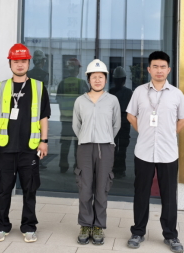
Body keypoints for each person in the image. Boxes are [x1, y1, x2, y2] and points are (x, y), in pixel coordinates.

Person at [0, 43, 50, 243]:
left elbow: (43, 117)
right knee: (4, 189)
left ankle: (29, 227)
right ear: (10, 63)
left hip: (30, 148)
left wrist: (44, 141)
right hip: (5, 148)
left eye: (23, 61)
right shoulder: (1, 87)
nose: (19, 64)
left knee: (30, 189)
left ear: (28, 63)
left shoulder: (38, 87)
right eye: (15, 61)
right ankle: (2, 226)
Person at [125, 51, 184, 253]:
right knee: (141, 193)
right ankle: (138, 232)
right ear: (149, 69)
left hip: (168, 153)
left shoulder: (176, 94)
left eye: (163, 67)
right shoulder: (139, 92)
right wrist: (143, 131)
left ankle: (170, 235)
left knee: (169, 195)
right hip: (144, 151)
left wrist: (170, 133)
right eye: (155, 66)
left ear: (168, 70)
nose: (159, 70)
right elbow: (130, 115)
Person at [73, 59, 121, 246]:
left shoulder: (112, 100)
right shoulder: (80, 101)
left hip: (106, 147)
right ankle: (86, 225)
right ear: (88, 79)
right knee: (85, 188)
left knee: (102, 188)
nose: (98, 80)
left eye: (101, 77)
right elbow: (76, 125)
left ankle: (99, 226)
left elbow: (116, 125)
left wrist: (105, 137)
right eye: (94, 77)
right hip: (85, 147)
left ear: (106, 79)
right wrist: (86, 138)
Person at [56, 58, 89, 173]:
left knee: (65, 143)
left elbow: (59, 100)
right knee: (78, 144)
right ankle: (77, 166)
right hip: (78, 120)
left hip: (65, 119)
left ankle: (63, 165)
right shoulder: (82, 84)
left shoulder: (62, 84)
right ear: (77, 70)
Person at [109, 66, 133, 178]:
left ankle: (114, 168)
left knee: (113, 146)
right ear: (124, 79)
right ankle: (120, 169)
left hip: (113, 123)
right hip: (124, 123)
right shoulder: (129, 93)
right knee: (122, 147)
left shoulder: (110, 92)